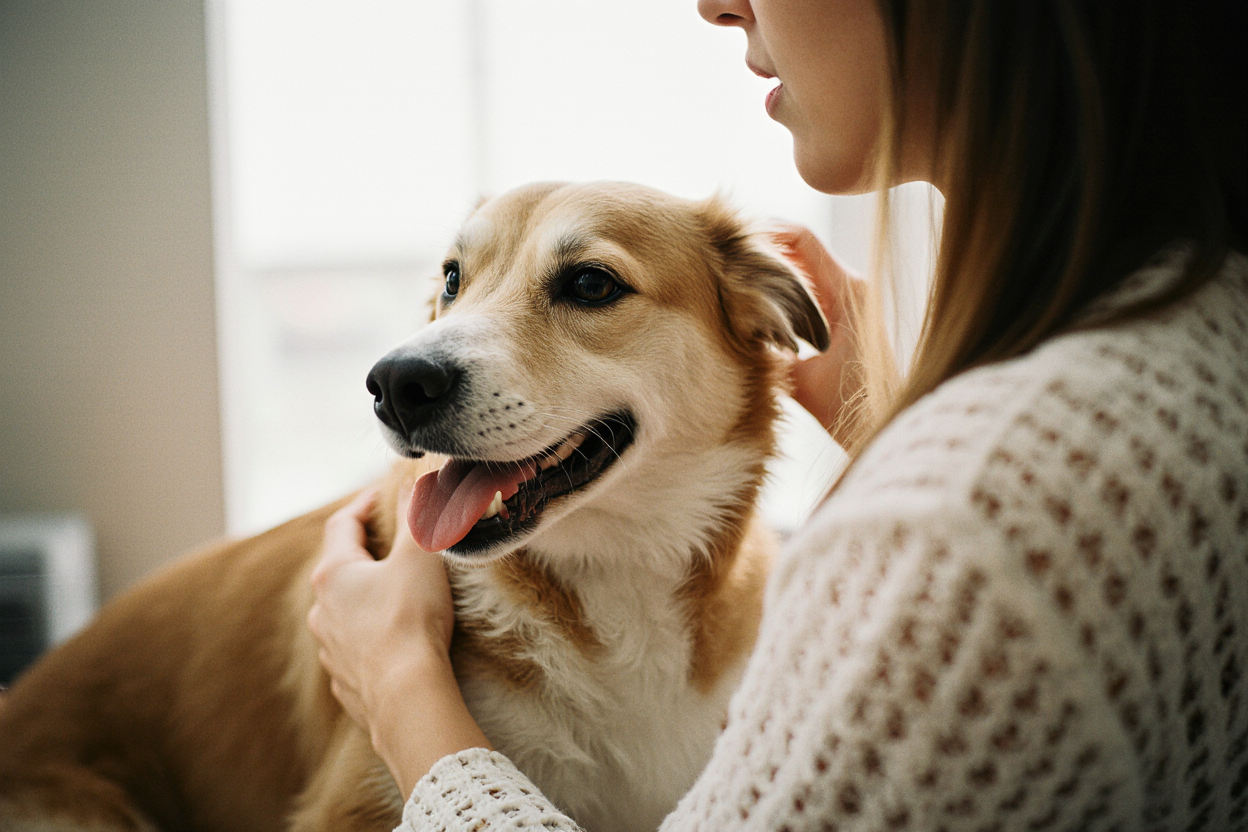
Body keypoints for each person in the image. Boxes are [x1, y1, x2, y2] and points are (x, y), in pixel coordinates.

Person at [307, 0, 1248, 828]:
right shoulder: (1205, 341)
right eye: (455, 283)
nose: (716, 4)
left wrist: (402, 698)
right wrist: (900, 431)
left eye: (588, 283)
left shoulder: (958, 523)